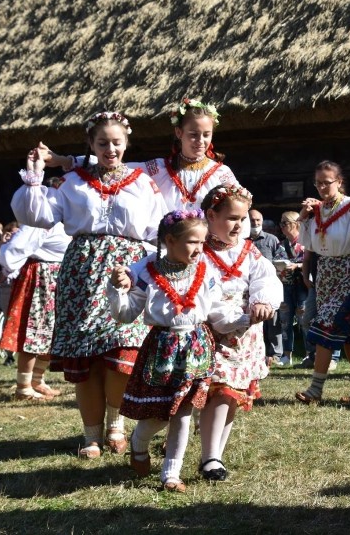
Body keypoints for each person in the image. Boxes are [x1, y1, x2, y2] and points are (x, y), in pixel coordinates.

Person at [12, 111, 165, 459]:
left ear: (126, 144)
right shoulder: (73, 182)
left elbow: (157, 230)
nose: (110, 149)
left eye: (116, 143)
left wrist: (153, 267)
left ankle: (116, 426)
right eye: (102, 143)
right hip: (82, 273)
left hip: (128, 269)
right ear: (91, 145)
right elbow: (37, 215)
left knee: (122, 350)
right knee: (87, 357)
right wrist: (36, 175)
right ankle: (91, 436)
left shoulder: (143, 182)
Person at [111, 210, 231, 492]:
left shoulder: (205, 271)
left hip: (196, 346)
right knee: (160, 413)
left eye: (202, 243)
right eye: (192, 242)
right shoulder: (147, 274)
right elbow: (127, 314)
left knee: (184, 411)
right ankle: (139, 444)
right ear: (169, 241)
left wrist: (243, 318)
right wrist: (117, 291)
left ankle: (171, 474)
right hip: (162, 349)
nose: (198, 249)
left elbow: (216, 309)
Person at [197, 185, 283, 479]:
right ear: (211, 215)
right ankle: (209, 456)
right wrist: (233, 318)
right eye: (232, 218)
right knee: (219, 392)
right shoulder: (199, 251)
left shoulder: (248, 250)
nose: (239, 225)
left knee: (234, 395)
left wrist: (262, 302)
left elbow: (266, 278)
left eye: (242, 218)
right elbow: (204, 294)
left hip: (246, 336)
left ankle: (215, 455)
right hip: (214, 332)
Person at [43, 97, 239, 215]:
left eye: (206, 135)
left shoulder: (221, 174)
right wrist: (62, 160)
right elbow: (112, 164)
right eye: (193, 135)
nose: (200, 141)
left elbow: (239, 210)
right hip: (168, 249)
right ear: (179, 133)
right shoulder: (158, 168)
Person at [295, 161, 350, 404]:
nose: (321, 187)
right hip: (325, 272)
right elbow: (307, 244)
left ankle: (315, 390)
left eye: (327, 182)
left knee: (326, 325)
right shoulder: (318, 209)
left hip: (349, 271)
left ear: (339, 182)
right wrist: (304, 217)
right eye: (318, 183)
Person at [0, 222, 72, 400]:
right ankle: (23, 387)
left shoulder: (64, 219)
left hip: (57, 277)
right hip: (42, 278)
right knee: (35, 332)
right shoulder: (41, 221)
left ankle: (36, 380)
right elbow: (12, 251)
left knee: (51, 334)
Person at [248, 208, 287, 366]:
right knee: (252, 320)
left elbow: (282, 257)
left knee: (273, 320)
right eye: (252, 221)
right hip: (248, 286)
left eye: (258, 220)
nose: (255, 223)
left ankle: (276, 354)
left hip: (269, 287)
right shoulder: (241, 240)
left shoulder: (272, 239)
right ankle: (253, 352)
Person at [279, 211, 308, 367]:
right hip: (285, 286)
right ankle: (286, 354)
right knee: (285, 321)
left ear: (294, 224)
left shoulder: (305, 243)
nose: (281, 226)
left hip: (302, 286)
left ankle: (309, 353)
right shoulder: (280, 244)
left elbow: (312, 262)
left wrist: (297, 265)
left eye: (284, 223)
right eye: (281, 223)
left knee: (304, 320)